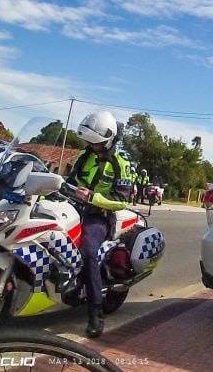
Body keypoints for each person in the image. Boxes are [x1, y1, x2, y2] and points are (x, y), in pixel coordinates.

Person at [67, 111, 131, 338]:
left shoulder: (120, 164)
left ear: (108, 139)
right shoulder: (82, 157)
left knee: (88, 251)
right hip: (72, 209)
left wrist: (92, 197)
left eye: (96, 142)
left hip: (99, 216)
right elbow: (67, 182)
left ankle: (95, 312)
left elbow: (122, 200)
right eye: (89, 142)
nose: (91, 146)